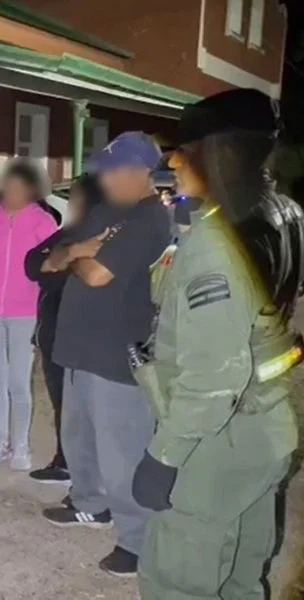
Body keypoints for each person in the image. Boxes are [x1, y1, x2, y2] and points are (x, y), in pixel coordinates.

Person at [132, 88, 303, 599]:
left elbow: (213, 376)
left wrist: (165, 455)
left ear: (220, 153)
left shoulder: (218, 240)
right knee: (241, 579)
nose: (173, 162)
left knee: (179, 581)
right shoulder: (285, 212)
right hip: (265, 430)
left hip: (214, 446)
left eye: (186, 150)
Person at [38, 131, 172, 577]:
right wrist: (78, 250)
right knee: (80, 438)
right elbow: (51, 257)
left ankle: (137, 542)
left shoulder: (151, 219)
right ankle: (89, 505)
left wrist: (77, 258)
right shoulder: (107, 210)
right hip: (77, 347)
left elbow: (95, 275)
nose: (105, 179)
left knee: (124, 452)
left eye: (113, 171)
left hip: (118, 353)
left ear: (140, 172)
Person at [0, 159, 58, 470]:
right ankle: (0, 441)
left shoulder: (43, 223)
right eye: (7, 186)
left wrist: (44, 311)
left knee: (19, 381)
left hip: (25, 313)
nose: (11, 192)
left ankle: (21, 445)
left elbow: (50, 271)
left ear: (32, 190)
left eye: (19, 187)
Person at [23, 173, 104, 484]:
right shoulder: (70, 233)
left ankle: (87, 473)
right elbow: (32, 264)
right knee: (61, 401)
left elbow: (58, 274)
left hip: (81, 333)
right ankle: (64, 460)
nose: (71, 204)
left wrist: (58, 262)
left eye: (74, 198)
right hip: (53, 331)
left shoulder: (104, 235)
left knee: (84, 405)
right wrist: (69, 257)